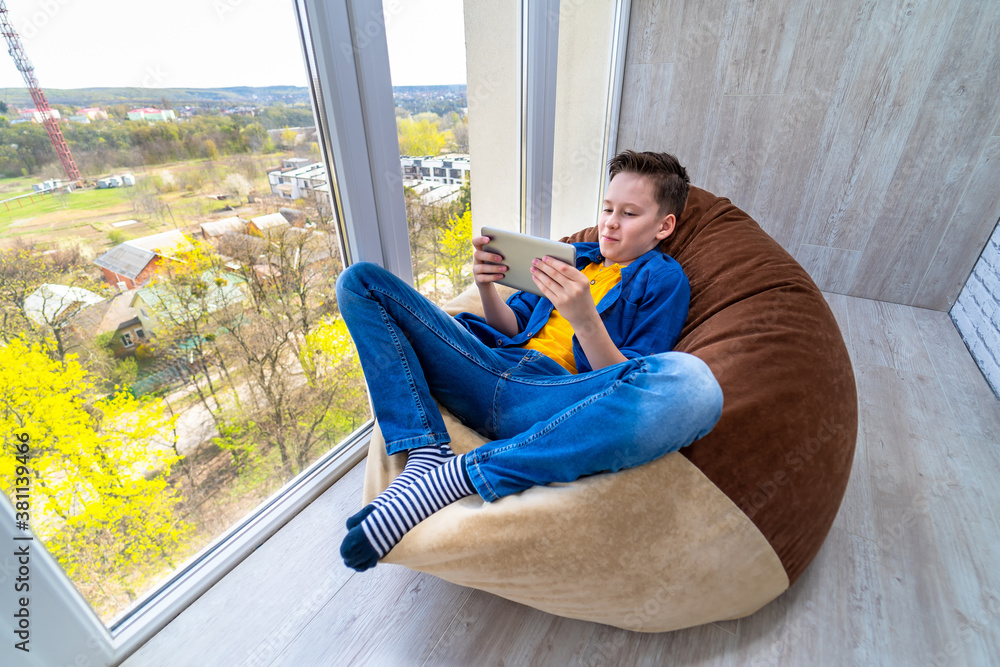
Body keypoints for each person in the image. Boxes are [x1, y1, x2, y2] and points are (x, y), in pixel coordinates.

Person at [337, 150, 723, 572]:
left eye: (630, 213)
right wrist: (486, 288)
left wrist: (585, 320)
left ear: (663, 226)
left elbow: (629, 383)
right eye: (608, 208)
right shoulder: (575, 256)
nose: (610, 222)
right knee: (360, 281)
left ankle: (459, 475)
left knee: (697, 387)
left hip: (555, 398)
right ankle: (425, 450)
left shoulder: (664, 279)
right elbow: (511, 324)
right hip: (485, 365)